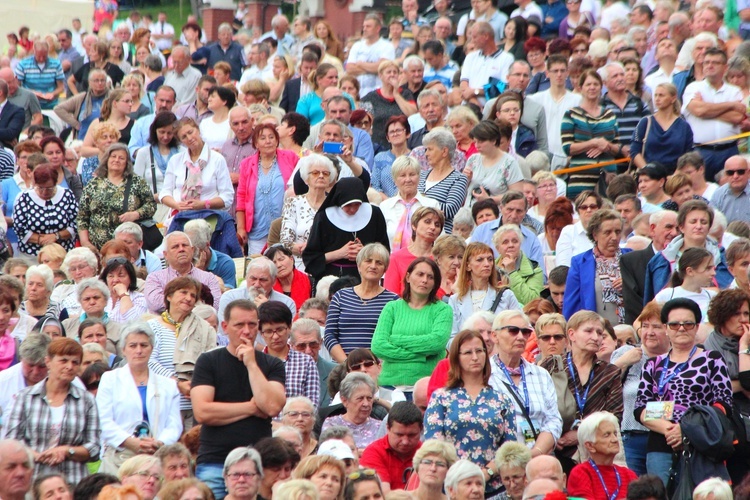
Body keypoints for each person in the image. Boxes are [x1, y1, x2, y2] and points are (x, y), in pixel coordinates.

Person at [190, 299, 286, 498]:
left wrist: (251, 364)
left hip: (259, 463)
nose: (247, 331)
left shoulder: (272, 364)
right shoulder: (208, 362)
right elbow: (202, 412)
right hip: (215, 460)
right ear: (225, 327)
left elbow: (272, 406)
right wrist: (251, 408)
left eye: (252, 324)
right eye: (239, 325)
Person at [634, 298, 732, 484]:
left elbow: (724, 404)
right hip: (661, 442)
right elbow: (640, 408)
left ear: (696, 327)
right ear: (666, 328)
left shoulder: (711, 359)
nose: (681, 328)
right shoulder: (653, 364)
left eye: (688, 324)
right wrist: (670, 430)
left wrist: (685, 430)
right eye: (674, 324)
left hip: (701, 442)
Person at [424, 329, 517, 496]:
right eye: (468, 352)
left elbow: (509, 448)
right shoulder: (441, 397)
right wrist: (461, 476)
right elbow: (434, 445)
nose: (475, 357)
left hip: (494, 488)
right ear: (456, 358)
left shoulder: (502, 399)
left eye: (479, 351)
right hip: (452, 486)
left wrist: (486, 473)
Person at [3, 338, 99, 485]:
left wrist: (67, 451)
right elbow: (12, 440)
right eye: (63, 361)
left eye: (75, 362)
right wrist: (35, 455)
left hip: (73, 480)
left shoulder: (86, 400)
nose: (69, 366)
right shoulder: (25, 398)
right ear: (48, 362)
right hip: (33, 480)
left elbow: (93, 447)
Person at [540, 311, 623, 473]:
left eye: (599, 333)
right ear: (571, 334)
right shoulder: (552, 365)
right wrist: (552, 437)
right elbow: (539, 406)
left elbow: (614, 415)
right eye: (589, 331)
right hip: (554, 449)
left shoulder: (609, 372)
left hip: (595, 452)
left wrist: (579, 433)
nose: (596, 337)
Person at [96, 323, 182, 474]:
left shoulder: (168, 385)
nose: (139, 350)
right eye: (133, 345)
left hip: (156, 458)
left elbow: (174, 424)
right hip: (120, 458)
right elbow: (103, 420)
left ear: (152, 348)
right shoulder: (110, 379)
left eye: (144, 345)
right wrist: (131, 443)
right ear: (123, 350)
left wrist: (159, 443)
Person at [372, 257, 452, 392]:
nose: (425, 280)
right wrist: (421, 356)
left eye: (430, 277)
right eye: (420, 274)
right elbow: (378, 346)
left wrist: (396, 339)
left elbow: (436, 343)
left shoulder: (443, 309)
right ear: (408, 277)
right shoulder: (391, 308)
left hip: (426, 388)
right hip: (388, 387)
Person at [490, 310, 562, 457]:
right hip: (499, 459)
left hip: (539, 458)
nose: (520, 337)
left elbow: (553, 420)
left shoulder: (541, 375)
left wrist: (535, 453)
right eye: (513, 331)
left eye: (526, 332)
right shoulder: (484, 376)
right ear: (494, 336)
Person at [609, 302, 670, 476]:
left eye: (656, 327)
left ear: (669, 329)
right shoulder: (626, 353)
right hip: (630, 439)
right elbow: (603, 383)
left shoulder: (676, 358)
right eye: (645, 326)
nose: (649, 332)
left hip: (662, 439)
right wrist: (623, 362)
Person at [146, 276, 216, 428]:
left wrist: (195, 386)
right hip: (163, 401)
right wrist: (178, 384)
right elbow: (149, 361)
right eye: (183, 292)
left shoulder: (204, 328)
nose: (188, 298)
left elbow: (212, 362)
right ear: (169, 296)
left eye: (193, 296)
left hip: (193, 402)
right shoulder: (152, 326)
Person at [302, 177, 390, 282]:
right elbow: (311, 258)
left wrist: (365, 253)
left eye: (357, 204)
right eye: (348, 205)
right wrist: (341, 253)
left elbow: (384, 250)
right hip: (332, 278)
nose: (353, 209)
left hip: (366, 278)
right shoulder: (324, 217)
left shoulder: (374, 214)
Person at [644, 200, 732, 304]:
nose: (699, 226)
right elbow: (651, 303)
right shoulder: (661, 260)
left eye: (704, 222)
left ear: (709, 228)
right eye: (693, 221)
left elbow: (729, 295)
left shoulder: (723, 257)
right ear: (681, 227)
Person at [323, 243, 398, 362]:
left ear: (385, 269)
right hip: (342, 367)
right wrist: (348, 365)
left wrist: (372, 367)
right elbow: (329, 335)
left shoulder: (394, 301)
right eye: (368, 261)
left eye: (379, 263)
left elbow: (393, 339)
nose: (373, 266)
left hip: (376, 368)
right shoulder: (340, 296)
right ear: (359, 265)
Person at [77, 143, 155, 251]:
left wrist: (136, 214)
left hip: (127, 247)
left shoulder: (137, 182)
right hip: (97, 248)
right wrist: (85, 243)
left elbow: (151, 205)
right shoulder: (93, 184)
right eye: (113, 156)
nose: (116, 160)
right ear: (107, 159)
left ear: (127, 162)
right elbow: (82, 217)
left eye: (121, 158)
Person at [236, 124, 298, 254]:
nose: (268, 141)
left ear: (277, 140)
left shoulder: (290, 157)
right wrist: (241, 228)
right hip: (258, 231)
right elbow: (241, 197)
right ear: (256, 143)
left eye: (271, 137)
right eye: (263, 138)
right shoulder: (247, 164)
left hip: (288, 226)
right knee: (260, 268)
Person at [159, 118, 234, 222]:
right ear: (181, 141)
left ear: (198, 130)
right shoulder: (175, 160)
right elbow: (164, 193)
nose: (189, 138)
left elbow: (227, 197)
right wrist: (176, 205)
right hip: (179, 217)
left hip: (208, 218)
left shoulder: (217, 159)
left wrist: (204, 204)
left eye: (191, 132)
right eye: (184, 137)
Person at [563, 209, 630, 323]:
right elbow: (571, 305)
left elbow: (646, 294)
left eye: (618, 232)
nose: (614, 237)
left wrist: (629, 285)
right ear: (595, 235)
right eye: (607, 232)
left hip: (629, 331)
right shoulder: (580, 263)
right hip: (596, 332)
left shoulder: (632, 257)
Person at [561, 70, 619, 199]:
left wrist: (606, 145)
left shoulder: (609, 115)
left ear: (601, 87)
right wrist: (593, 143)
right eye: (588, 84)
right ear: (581, 88)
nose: (592, 87)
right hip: (581, 178)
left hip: (607, 178)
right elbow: (567, 148)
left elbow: (617, 148)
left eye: (595, 84)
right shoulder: (571, 114)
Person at [449, 242, 522, 336]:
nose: (487, 264)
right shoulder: (455, 300)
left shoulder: (506, 295)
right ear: (468, 266)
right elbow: (451, 337)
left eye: (490, 259)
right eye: (480, 260)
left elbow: (523, 327)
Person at [280, 154, 336, 271]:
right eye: (315, 173)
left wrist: (311, 248)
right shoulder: (293, 202)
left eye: (325, 173)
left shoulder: (334, 205)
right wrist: (299, 249)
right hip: (298, 265)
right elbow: (285, 240)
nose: (321, 176)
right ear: (306, 179)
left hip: (325, 265)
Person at [566, 412, 637, 499]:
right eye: (607, 435)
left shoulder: (629, 475)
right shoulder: (581, 473)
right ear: (590, 446)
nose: (615, 439)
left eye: (615, 434)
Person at [12, 163, 77, 257]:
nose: (45, 192)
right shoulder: (24, 198)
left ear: (56, 183)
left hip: (63, 252)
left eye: (49, 188)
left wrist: (56, 236)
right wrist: (41, 240)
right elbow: (19, 228)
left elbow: (75, 223)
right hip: (32, 254)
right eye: (40, 188)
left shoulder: (67, 195)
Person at [359, 402, 424, 492]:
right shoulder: (374, 452)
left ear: (420, 430)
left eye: (411, 435)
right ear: (388, 428)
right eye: (399, 435)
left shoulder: (428, 454)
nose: (405, 442)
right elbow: (383, 494)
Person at [630, 83, 693, 173]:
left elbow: (688, 155)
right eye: (655, 95)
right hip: (649, 176)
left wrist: (676, 176)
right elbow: (634, 151)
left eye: (661, 95)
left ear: (673, 98)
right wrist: (648, 171)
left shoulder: (684, 126)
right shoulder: (645, 122)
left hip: (675, 177)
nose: (657, 99)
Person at [416, 128, 468, 234]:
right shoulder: (422, 175)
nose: (426, 154)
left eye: (430, 149)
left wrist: (419, 201)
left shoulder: (459, 179)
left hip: (441, 237)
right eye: (426, 150)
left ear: (444, 151)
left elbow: (450, 210)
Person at [384, 207, 444, 296]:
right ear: (414, 225)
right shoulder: (396, 258)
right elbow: (390, 295)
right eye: (427, 222)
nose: (432, 227)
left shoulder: (442, 259)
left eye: (437, 225)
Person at [321, 372, 381, 450]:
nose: (366, 404)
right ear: (345, 401)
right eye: (360, 398)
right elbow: (330, 453)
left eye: (369, 398)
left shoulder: (380, 427)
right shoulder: (332, 425)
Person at [493, 224, 544, 306]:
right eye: (505, 242)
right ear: (498, 248)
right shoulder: (491, 268)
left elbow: (532, 301)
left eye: (515, 241)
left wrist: (512, 272)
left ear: (520, 244)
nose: (511, 245)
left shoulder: (534, 269)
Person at [555, 191, 602, 268]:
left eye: (593, 206)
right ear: (578, 211)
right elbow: (563, 265)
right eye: (584, 207)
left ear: (599, 209)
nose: (589, 210)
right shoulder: (569, 232)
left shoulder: (606, 231)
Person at [15, 40, 65, 110]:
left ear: (48, 52)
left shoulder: (56, 64)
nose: (41, 59)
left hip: (51, 105)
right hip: (29, 104)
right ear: (34, 51)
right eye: (39, 56)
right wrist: (31, 93)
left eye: (44, 56)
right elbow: (17, 86)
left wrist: (53, 94)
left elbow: (61, 87)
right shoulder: (23, 64)